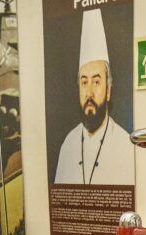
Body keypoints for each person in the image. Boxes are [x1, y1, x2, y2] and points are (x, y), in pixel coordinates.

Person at [54, 9, 135, 185]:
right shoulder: (68, 144)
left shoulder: (125, 145)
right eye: (84, 82)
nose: (89, 92)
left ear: (108, 90)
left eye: (96, 82)